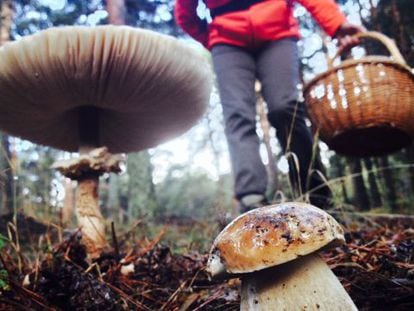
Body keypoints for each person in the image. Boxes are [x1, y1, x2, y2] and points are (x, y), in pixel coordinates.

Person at [174, 0, 364, 212]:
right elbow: (185, 13)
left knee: (285, 109)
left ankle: (316, 195)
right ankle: (251, 200)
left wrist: (336, 24)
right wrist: (210, 37)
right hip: (227, 40)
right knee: (238, 114)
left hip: (278, 32)